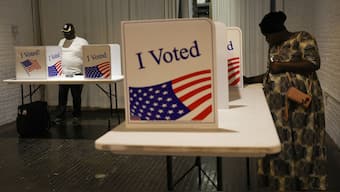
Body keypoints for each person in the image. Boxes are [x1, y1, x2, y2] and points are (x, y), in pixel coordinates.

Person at [244, 11, 327, 191]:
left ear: (278, 31)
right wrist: (249, 80)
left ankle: (305, 183)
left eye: (267, 36)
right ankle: (284, 182)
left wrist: (282, 65)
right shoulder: (274, 47)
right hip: (278, 110)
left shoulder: (302, 38)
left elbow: (313, 63)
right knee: (281, 145)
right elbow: (271, 73)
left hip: (303, 108)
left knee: (304, 143)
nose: (266, 40)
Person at [55, 23, 88, 125]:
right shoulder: (61, 42)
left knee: (76, 96)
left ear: (73, 31)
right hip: (63, 74)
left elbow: (88, 55)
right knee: (62, 96)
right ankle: (61, 116)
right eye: (64, 33)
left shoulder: (82, 42)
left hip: (76, 73)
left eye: (68, 33)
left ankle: (76, 116)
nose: (65, 35)